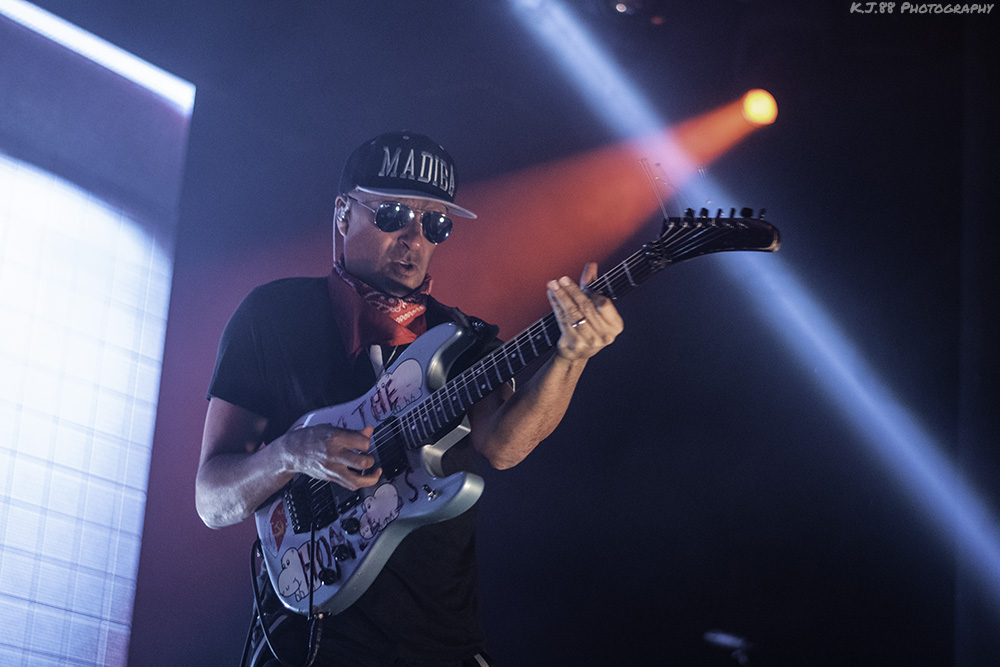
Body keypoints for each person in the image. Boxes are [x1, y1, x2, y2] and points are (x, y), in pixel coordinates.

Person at [195, 131, 623, 667]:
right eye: (394, 214)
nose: (414, 239)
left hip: (439, 643)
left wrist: (570, 356)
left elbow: (505, 446)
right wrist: (291, 453)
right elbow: (212, 500)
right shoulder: (272, 316)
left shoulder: (463, 339)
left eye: (435, 223)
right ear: (343, 213)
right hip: (307, 645)